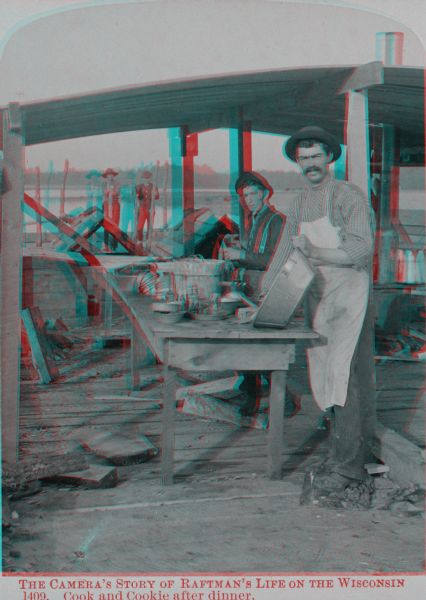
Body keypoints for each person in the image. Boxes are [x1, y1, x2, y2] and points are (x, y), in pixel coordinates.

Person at [265, 126, 376, 494]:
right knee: (324, 378)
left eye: (315, 156)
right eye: (303, 158)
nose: (310, 164)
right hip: (319, 296)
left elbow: (362, 249)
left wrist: (316, 254)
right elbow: (285, 250)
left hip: (348, 294)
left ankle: (351, 467)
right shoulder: (299, 202)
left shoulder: (347, 195)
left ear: (329, 157)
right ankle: (338, 454)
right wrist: (266, 293)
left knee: (345, 377)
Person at [223, 171, 293, 415]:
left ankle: (282, 398)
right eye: (244, 196)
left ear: (265, 193)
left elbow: (276, 259)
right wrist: (241, 248)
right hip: (249, 289)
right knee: (245, 345)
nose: (249, 199)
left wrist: (241, 255)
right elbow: (258, 251)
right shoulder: (255, 219)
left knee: (261, 347)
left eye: (253, 193)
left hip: (264, 291)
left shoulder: (276, 220)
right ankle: (251, 392)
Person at [135, 170, 160, 247]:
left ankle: (148, 241)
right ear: (143, 179)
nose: (146, 179)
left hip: (151, 209)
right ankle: (140, 241)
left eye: (148, 178)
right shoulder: (139, 186)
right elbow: (137, 197)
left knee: (150, 226)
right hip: (142, 208)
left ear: (150, 178)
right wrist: (138, 195)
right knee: (140, 226)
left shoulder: (154, 186)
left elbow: (157, 197)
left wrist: (155, 194)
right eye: (145, 178)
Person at [102, 167, 121, 251]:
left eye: (111, 175)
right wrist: (109, 192)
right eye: (108, 175)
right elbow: (104, 193)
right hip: (106, 205)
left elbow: (116, 192)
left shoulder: (117, 183)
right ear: (106, 176)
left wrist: (111, 192)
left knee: (115, 224)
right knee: (106, 224)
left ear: (113, 176)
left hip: (115, 205)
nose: (110, 177)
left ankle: (114, 245)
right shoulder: (103, 184)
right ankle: (106, 245)